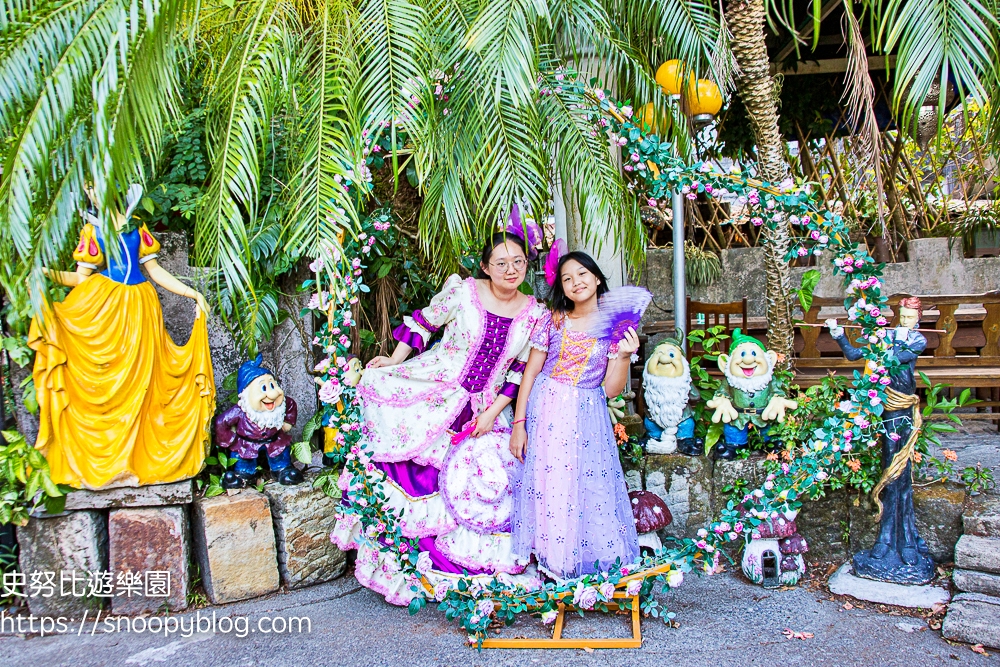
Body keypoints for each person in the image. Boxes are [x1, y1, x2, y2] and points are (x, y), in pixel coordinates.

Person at [332, 226, 548, 605]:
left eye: (518, 262)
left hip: (485, 409)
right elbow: (423, 322)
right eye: (501, 263)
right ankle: (407, 569)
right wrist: (394, 361)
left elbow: (517, 372)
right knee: (418, 475)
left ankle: (456, 571)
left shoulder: (534, 315)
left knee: (477, 486)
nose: (510, 270)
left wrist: (492, 414)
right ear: (485, 266)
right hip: (434, 389)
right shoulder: (463, 292)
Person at [29, 185, 214, 490]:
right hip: (105, 308)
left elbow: (155, 271)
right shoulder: (92, 229)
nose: (91, 190)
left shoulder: (136, 223)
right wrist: (46, 274)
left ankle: (139, 456)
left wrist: (191, 292)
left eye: (95, 182)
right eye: (87, 186)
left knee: (144, 384)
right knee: (110, 384)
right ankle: (112, 459)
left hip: (141, 307)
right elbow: (79, 278)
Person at [509, 251, 642, 580]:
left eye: (582, 274)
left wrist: (624, 356)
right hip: (548, 406)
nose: (575, 282)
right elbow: (530, 372)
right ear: (562, 288)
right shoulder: (553, 318)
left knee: (586, 483)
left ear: (597, 278)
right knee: (550, 483)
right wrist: (519, 423)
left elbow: (611, 389)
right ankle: (553, 563)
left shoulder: (615, 326)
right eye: (567, 278)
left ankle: (589, 561)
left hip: (587, 414)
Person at [826, 297, 935, 584]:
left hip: (904, 411)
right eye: (903, 315)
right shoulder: (885, 335)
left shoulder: (917, 340)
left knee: (902, 475)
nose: (907, 321)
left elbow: (895, 359)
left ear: (918, 318)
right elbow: (852, 355)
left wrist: (880, 341)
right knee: (890, 472)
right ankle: (887, 540)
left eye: (912, 317)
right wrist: (839, 335)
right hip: (887, 411)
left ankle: (907, 542)